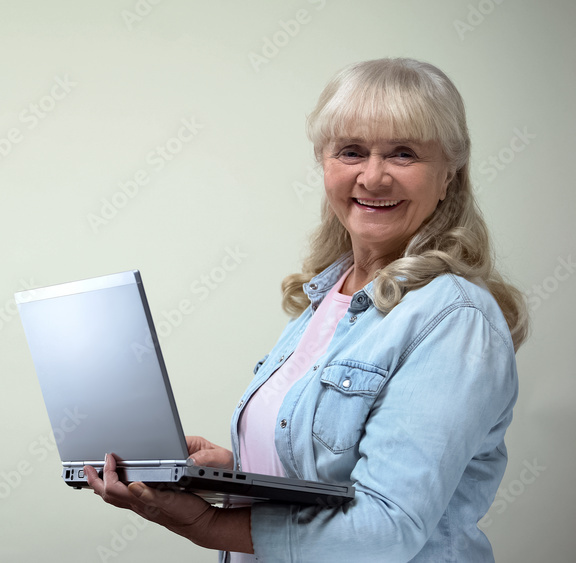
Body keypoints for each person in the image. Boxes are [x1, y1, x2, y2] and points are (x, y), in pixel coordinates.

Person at [84, 57, 528, 562]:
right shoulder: (328, 297)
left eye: (403, 154)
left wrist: (209, 525)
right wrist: (230, 471)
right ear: (324, 163)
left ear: (449, 175)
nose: (373, 177)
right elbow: (328, 477)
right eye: (351, 151)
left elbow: (386, 528)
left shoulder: (455, 319)